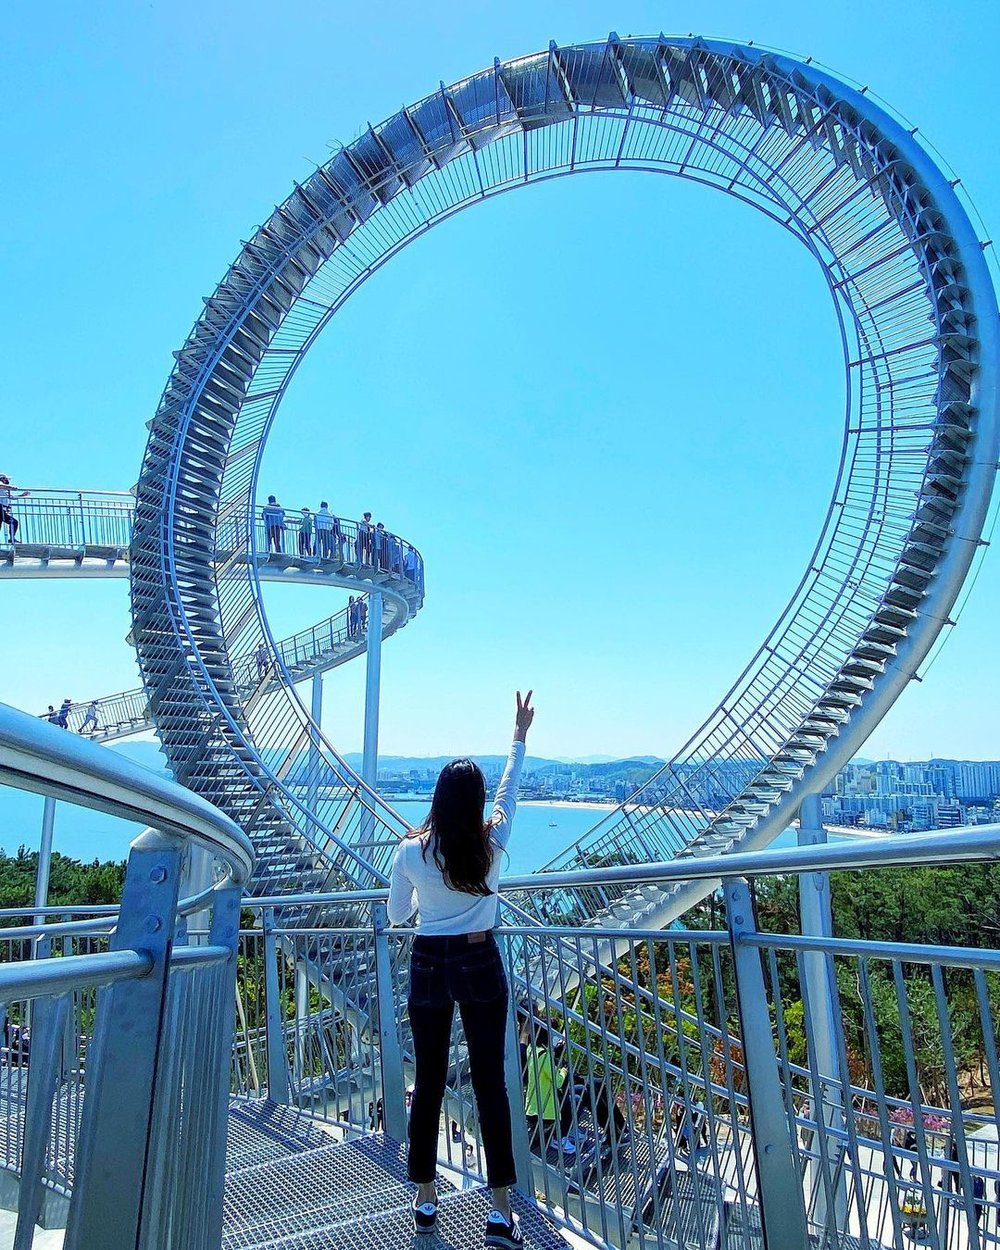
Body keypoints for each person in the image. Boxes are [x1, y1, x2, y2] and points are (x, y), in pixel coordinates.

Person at [388, 691, 535, 1248]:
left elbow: (398, 915)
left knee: (426, 1081)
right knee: (490, 1083)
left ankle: (425, 1201)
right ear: (473, 804)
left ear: (437, 798)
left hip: (428, 959)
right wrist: (518, 736)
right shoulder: (492, 842)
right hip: (479, 958)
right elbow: (509, 791)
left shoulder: (411, 852)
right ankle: (500, 1212)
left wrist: (424, 893)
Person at [523, 1025, 575, 1155]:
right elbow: (557, 1082)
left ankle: (556, 1137)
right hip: (545, 1106)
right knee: (569, 1103)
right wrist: (563, 1071)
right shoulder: (545, 1056)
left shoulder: (532, 1049)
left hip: (533, 1102)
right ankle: (558, 1139)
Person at [0, 475, 29, 543]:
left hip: (2, 509)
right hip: (0, 507)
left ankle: (12, 538)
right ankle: (12, 538)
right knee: (13, 522)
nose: (8, 481)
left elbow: (12, 497)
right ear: (3, 479)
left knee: (13, 522)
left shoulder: (5, 489)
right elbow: (1, 485)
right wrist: (11, 488)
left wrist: (22, 495)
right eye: (6, 479)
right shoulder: (1, 484)